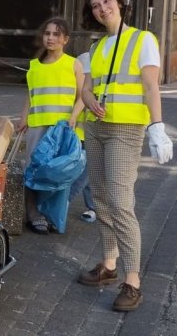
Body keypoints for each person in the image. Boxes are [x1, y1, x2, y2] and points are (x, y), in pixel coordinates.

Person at [77, 0, 173, 312]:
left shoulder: (143, 40)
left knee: (120, 202)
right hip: (95, 127)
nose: (102, 8)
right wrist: (89, 99)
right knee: (101, 199)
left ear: (119, 3)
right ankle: (108, 265)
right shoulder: (96, 47)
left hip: (126, 129)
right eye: (95, 6)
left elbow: (150, 85)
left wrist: (157, 126)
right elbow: (86, 88)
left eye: (107, 1)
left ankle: (132, 281)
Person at [16, 17, 84, 235]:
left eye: (56, 34)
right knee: (33, 170)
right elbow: (31, 95)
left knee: (58, 172)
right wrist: (24, 118)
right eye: (47, 33)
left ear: (65, 39)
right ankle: (33, 214)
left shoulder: (73, 64)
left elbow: (83, 96)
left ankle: (52, 215)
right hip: (38, 126)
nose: (51, 38)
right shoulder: (34, 66)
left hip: (62, 129)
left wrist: (74, 117)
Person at [70, 50, 96, 223]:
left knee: (87, 170)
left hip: (95, 131)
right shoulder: (82, 59)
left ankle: (68, 199)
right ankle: (93, 206)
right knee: (86, 170)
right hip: (78, 131)